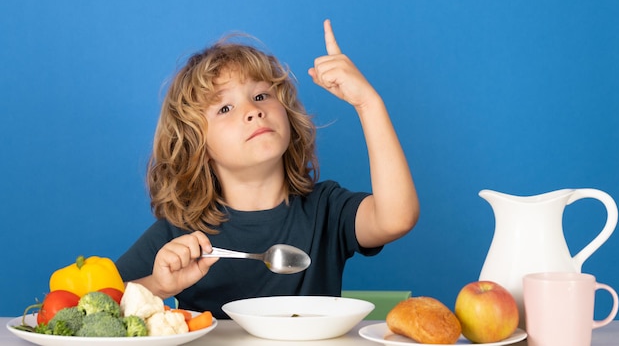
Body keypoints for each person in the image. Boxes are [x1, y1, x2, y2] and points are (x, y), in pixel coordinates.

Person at [116, 20, 419, 319]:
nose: (253, 111)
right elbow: (93, 304)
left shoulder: (327, 210)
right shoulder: (179, 232)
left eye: (261, 96)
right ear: (198, 147)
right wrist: (157, 285)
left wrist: (368, 103)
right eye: (225, 108)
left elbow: (397, 218)